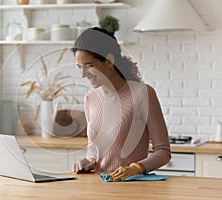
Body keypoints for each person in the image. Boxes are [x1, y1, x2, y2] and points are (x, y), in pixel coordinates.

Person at [72, 27, 171, 181]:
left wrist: (136, 168)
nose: (83, 74)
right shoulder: (90, 98)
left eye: (89, 66)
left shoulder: (142, 94)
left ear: (109, 61)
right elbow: (93, 146)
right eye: (79, 67)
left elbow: (163, 151)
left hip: (131, 188)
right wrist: (89, 161)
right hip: (97, 187)